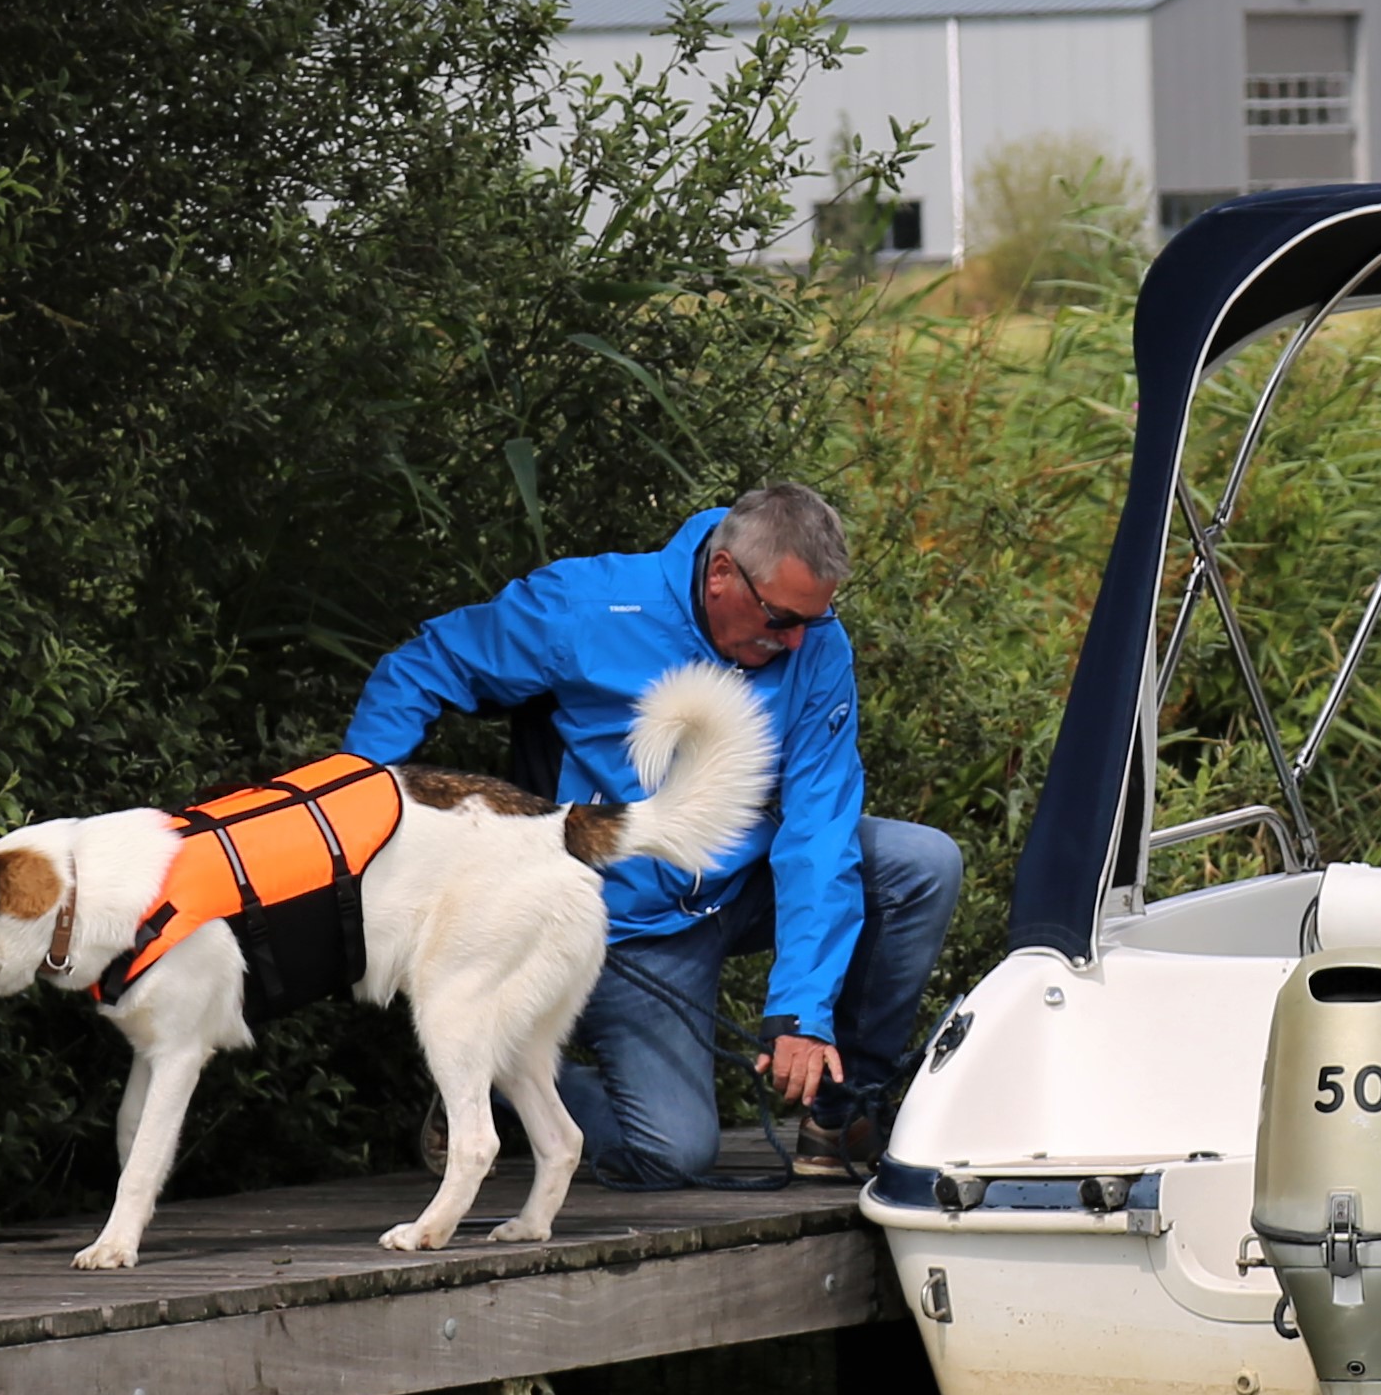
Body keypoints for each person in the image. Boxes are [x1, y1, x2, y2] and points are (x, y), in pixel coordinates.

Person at [344, 484, 960, 1183]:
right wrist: (362, 803)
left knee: (921, 862)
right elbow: (423, 666)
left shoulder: (816, 644)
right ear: (722, 572)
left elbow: (821, 829)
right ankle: (499, 1072)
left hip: (738, 886)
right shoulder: (586, 607)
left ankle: (842, 1115)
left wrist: (801, 1012)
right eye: (781, 618)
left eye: (811, 622)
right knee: (672, 1153)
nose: (794, 641)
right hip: (620, 919)